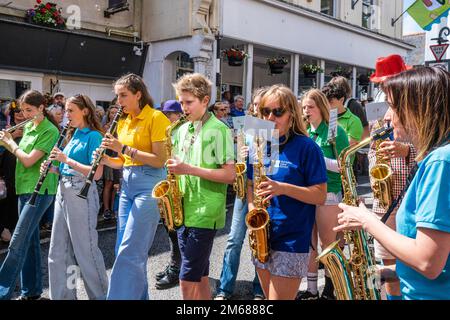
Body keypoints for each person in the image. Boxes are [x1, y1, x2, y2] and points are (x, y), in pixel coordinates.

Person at [334, 66, 450, 300]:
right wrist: (386, 272)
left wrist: (365, 219)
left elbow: (428, 261)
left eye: (393, 106)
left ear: (420, 109)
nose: (387, 116)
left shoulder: (440, 161)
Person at [247, 85, 327, 300]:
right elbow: (250, 186)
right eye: (265, 111)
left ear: (292, 113)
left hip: (292, 238)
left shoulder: (307, 147)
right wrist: (253, 212)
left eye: (278, 111)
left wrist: (282, 188)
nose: (271, 117)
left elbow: (320, 195)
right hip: (262, 236)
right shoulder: (259, 144)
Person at [96, 73, 171, 300]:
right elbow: (123, 161)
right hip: (127, 185)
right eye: (117, 96)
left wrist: (124, 149)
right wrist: (105, 159)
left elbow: (160, 159)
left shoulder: (157, 118)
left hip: (150, 183)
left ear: (138, 94)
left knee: (130, 250)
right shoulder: (124, 120)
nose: (119, 101)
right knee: (125, 249)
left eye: (123, 95)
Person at [168, 73, 235, 300]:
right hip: (183, 209)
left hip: (205, 211)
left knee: (186, 279)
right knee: (201, 276)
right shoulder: (181, 130)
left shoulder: (219, 130)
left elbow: (230, 174)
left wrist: (188, 169)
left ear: (205, 101)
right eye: (181, 102)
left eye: (189, 102)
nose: (183, 107)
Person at [44, 94, 108, 300]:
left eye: (71, 110)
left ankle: (101, 296)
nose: (66, 115)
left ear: (85, 111)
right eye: (66, 110)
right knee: (58, 253)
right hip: (64, 190)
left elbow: (96, 173)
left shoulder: (94, 136)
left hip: (82, 193)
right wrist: (54, 168)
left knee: (85, 252)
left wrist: (66, 160)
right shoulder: (73, 134)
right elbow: (66, 167)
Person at [0, 90, 60, 300]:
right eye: (23, 110)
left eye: (30, 110)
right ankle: (32, 292)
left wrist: (10, 143)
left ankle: (2, 292)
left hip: (41, 190)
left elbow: (27, 160)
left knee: (17, 242)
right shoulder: (28, 127)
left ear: (41, 108)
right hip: (24, 189)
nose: (25, 115)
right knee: (31, 242)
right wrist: (5, 140)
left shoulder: (50, 130)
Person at [367, 55, 416, 300]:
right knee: (387, 271)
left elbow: (430, 152)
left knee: (410, 268)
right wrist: (377, 168)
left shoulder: (415, 111)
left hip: (408, 199)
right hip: (384, 202)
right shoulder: (378, 115)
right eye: (382, 83)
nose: (385, 87)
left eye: (389, 81)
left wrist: (407, 151)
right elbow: (370, 154)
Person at [214, 87, 268, 301]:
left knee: (260, 238)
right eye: (254, 104)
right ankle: (225, 289)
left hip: (263, 190)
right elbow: (234, 162)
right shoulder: (243, 126)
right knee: (234, 240)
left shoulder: (271, 128)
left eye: (259, 104)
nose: (256, 108)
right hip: (244, 190)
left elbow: (274, 166)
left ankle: (259, 288)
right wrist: (240, 154)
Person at [296, 89, 349, 300]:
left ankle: (330, 290)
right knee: (310, 244)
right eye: (304, 107)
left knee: (328, 245)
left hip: (329, 193)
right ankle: (311, 290)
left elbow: (345, 166)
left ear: (321, 108)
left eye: (310, 107)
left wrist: (318, 157)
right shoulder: (305, 131)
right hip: (308, 192)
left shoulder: (335, 131)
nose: (306, 111)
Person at [154, 99, 184, 290]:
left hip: (181, 188)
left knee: (177, 232)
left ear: (178, 115)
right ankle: (175, 265)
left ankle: (177, 268)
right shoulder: (169, 131)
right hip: (169, 184)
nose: (164, 118)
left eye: (168, 115)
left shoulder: (182, 132)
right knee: (170, 231)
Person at [0, 104, 25, 243]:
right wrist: (13, 136)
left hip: (24, 170)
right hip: (8, 170)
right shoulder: (6, 127)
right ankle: (6, 229)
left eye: (23, 111)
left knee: (17, 201)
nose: (20, 114)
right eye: (17, 111)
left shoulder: (31, 128)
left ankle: (15, 229)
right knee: (7, 200)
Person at [101, 104, 121, 221]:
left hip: (118, 156)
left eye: (115, 112)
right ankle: (106, 209)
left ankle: (113, 208)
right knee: (108, 183)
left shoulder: (123, 125)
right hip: (109, 156)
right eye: (112, 113)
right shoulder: (106, 127)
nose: (113, 115)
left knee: (116, 185)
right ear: (108, 114)